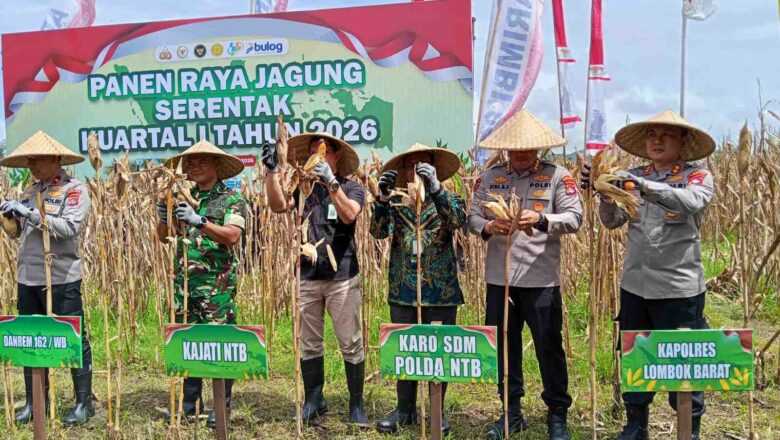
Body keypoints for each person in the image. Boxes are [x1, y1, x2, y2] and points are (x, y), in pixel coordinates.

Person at [581, 110, 715, 440]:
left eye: (666, 135)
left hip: (679, 289)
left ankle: (689, 426)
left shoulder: (696, 177)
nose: (656, 140)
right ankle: (635, 424)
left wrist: (643, 186)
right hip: (636, 287)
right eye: (652, 134)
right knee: (638, 355)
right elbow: (612, 221)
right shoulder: (632, 174)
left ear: (683, 142)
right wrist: (604, 191)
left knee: (682, 360)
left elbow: (693, 202)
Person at [468, 110, 582, 440]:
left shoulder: (558, 176)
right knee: (504, 345)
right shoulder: (489, 178)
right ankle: (510, 410)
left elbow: (575, 218)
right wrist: (488, 225)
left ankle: (557, 412)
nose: (520, 154)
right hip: (498, 279)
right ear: (505, 148)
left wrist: (543, 219)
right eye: (514, 149)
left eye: (527, 148)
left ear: (538, 148)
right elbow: (472, 217)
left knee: (549, 345)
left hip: (540, 279)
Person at [261, 132, 368, 425]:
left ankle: (356, 405)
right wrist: (272, 172)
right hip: (307, 275)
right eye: (311, 151)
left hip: (342, 277)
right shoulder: (303, 188)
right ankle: (314, 399)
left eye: (322, 150)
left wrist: (332, 183)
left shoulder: (351, 187)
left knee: (350, 342)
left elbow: (349, 215)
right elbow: (278, 206)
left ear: (335, 156)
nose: (316, 155)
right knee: (309, 343)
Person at [370, 143, 466, 435]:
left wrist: (436, 189)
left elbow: (457, 222)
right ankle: (405, 409)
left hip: (442, 291)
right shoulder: (398, 204)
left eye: (424, 165)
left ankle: (437, 410)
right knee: (405, 350)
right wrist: (382, 199)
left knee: (439, 351)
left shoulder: (450, 199)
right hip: (404, 290)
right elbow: (377, 232)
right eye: (412, 166)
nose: (418, 171)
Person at [0, 131, 93, 425]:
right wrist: (9, 219)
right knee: (32, 336)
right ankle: (34, 402)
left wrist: (30, 213)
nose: (31, 165)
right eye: (28, 160)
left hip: (61, 277)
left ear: (55, 159)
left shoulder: (73, 190)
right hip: (28, 277)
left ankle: (83, 403)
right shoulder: (29, 191)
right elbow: (17, 234)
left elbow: (69, 227)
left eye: (36, 160)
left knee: (72, 336)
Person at [156, 140, 248, 429]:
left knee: (219, 343)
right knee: (189, 340)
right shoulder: (184, 196)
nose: (193, 167)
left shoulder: (231, 199)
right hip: (185, 284)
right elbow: (164, 236)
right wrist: (164, 217)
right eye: (190, 163)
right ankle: (190, 402)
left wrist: (200, 222)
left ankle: (222, 404)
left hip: (216, 287)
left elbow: (233, 235)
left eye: (201, 162)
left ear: (217, 167)